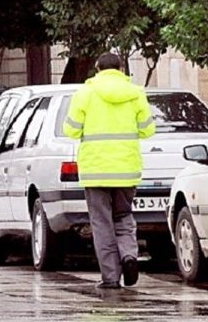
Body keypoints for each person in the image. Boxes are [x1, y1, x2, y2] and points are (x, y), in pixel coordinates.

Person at [64, 52, 156, 289]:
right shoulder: (135, 93)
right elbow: (147, 130)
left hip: (95, 171)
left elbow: (71, 130)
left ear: (97, 69)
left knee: (102, 223)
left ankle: (111, 277)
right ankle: (129, 256)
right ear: (121, 69)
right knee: (124, 217)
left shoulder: (85, 93)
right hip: (126, 169)